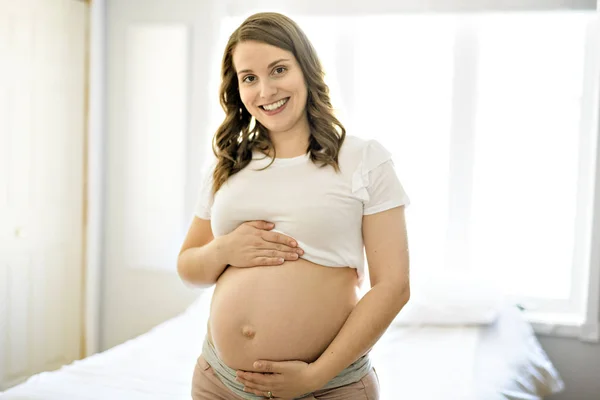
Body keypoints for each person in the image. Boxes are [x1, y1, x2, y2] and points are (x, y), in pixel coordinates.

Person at [177, 11, 411, 400]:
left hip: (325, 388)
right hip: (219, 382)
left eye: (278, 70)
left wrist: (315, 375)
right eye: (249, 78)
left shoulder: (364, 159)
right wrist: (224, 249)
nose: (265, 91)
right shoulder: (228, 165)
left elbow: (394, 287)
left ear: (306, 69)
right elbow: (189, 268)